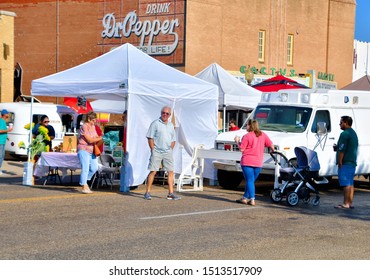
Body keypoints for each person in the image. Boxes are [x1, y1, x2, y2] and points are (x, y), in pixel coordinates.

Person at [234, 119, 274, 206]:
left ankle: (252, 199)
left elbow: (241, 148)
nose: (246, 127)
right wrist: (273, 150)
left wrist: (237, 141)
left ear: (250, 126)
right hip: (258, 162)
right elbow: (271, 144)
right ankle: (245, 198)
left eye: (247, 125)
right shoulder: (262, 134)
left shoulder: (247, 136)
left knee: (249, 181)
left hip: (247, 161)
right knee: (251, 181)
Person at [144, 106, 181, 200]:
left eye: (167, 113)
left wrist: (170, 149)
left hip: (167, 151)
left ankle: (171, 193)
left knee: (170, 171)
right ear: (161, 113)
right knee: (153, 171)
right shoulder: (155, 123)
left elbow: (173, 139)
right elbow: (150, 137)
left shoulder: (171, 125)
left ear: (169, 115)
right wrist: (153, 149)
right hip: (157, 151)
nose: (165, 115)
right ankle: (147, 192)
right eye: (163, 113)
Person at [334, 116, 358, 210]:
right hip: (352, 162)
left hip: (346, 162)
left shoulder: (345, 134)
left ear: (346, 123)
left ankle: (345, 203)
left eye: (341, 123)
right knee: (351, 183)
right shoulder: (353, 133)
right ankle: (350, 203)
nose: (339, 124)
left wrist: (340, 161)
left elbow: (342, 149)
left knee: (346, 184)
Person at [77, 111, 103, 194]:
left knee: (94, 168)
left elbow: (96, 137)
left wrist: (105, 137)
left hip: (92, 150)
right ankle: (84, 185)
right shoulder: (84, 127)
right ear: (89, 119)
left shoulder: (93, 127)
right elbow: (90, 140)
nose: (94, 122)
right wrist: (101, 137)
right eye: (93, 120)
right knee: (85, 168)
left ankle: (84, 181)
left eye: (95, 120)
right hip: (83, 149)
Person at [0, 109, 13, 175]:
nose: (8, 115)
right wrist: (8, 130)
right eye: (7, 113)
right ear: (4, 114)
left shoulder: (3, 121)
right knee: (0, 156)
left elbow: (3, 130)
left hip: (3, 141)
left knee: (2, 156)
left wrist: (7, 136)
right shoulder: (1, 121)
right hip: (0, 141)